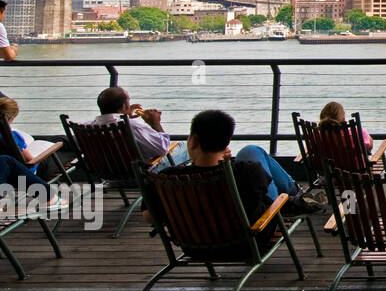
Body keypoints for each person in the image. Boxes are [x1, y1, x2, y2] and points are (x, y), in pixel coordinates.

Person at [156, 110, 320, 220]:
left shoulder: (168, 178)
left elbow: (150, 216)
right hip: (251, 239)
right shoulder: (247, 171)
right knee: (251, 150)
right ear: (227, 142)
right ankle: (295, 194)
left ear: (193, 142)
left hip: (192, 243)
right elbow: (266, 198)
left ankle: (295, 193)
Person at [86, 86, 178, 164]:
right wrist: (155, 124)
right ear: (123, 106)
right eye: (128, 101)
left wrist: (125, 116)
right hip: (141, 175)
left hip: (106, 176)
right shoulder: (132, 126)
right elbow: (163, 148)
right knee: (182, 147)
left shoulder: (87, 128)